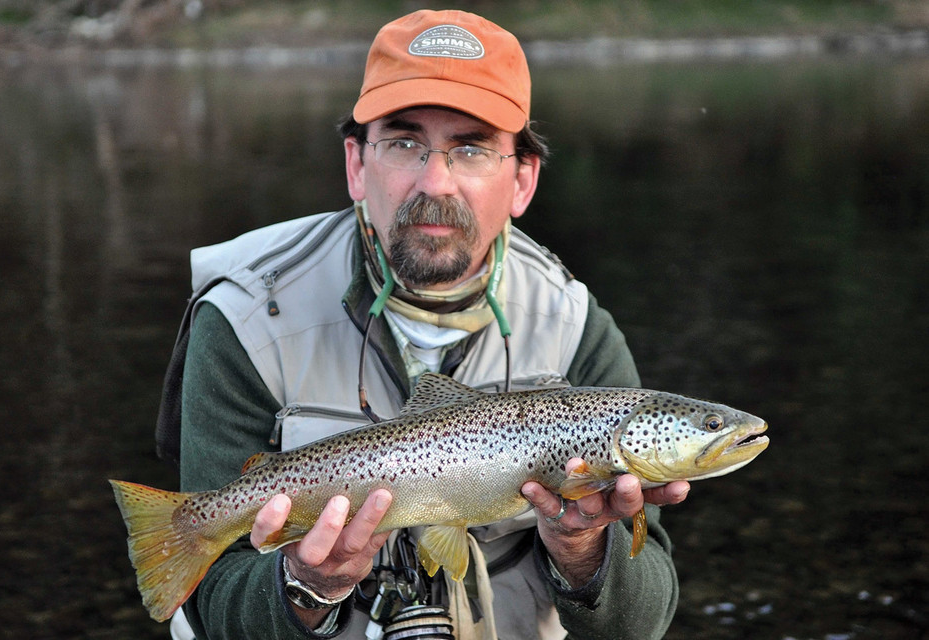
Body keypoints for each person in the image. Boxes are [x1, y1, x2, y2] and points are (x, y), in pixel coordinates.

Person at [168, 9, 689, 640]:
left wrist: (582, 550)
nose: (435, 181)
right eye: (405, 144)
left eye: (470, 148)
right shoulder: (247, 319)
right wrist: (306, 587)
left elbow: (642, 625)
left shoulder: (574, 325)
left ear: (522, 179)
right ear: (357, 165)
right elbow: (211, 605)